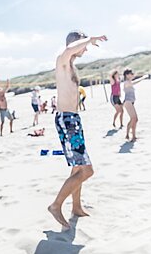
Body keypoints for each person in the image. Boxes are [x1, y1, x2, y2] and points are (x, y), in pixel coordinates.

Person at [48, 31, 107, 228]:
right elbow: (68, 49)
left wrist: (86, 42)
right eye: (84, 45)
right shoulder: (62, 60)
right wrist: (89, 39)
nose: (86, 49)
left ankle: (76, 207)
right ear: (75, 43)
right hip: (67, 120)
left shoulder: (71, 65)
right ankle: (56, 205)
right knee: (87, 170)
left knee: (77, 167)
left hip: (73, 119)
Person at [123, 69, 148, 141]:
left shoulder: (128, 82)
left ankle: (131, 135)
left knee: (134, 119)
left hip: (130, 102)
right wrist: (142, 78)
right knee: (134, 118)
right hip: (128, 102)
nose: (132, 75)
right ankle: (130, 136)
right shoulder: (126, 82)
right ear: (127, 75)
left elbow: (133, 81)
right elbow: (133, 82)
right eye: (131, 74)